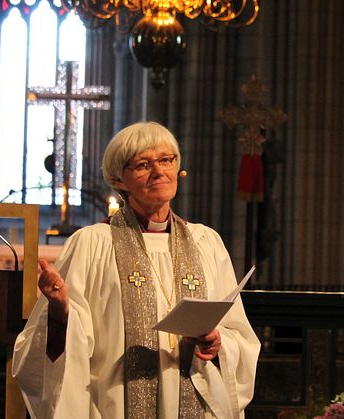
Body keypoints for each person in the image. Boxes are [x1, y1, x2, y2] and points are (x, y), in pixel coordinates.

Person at [13, 122, 261, 418]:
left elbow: (239, 335)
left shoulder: (206, 242)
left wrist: (219, 343)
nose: (159, 171)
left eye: (167, 160)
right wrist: (61, 310)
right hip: (114, 402)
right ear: (119, 180)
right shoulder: (92, 244)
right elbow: (55, 351)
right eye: (143, 164)